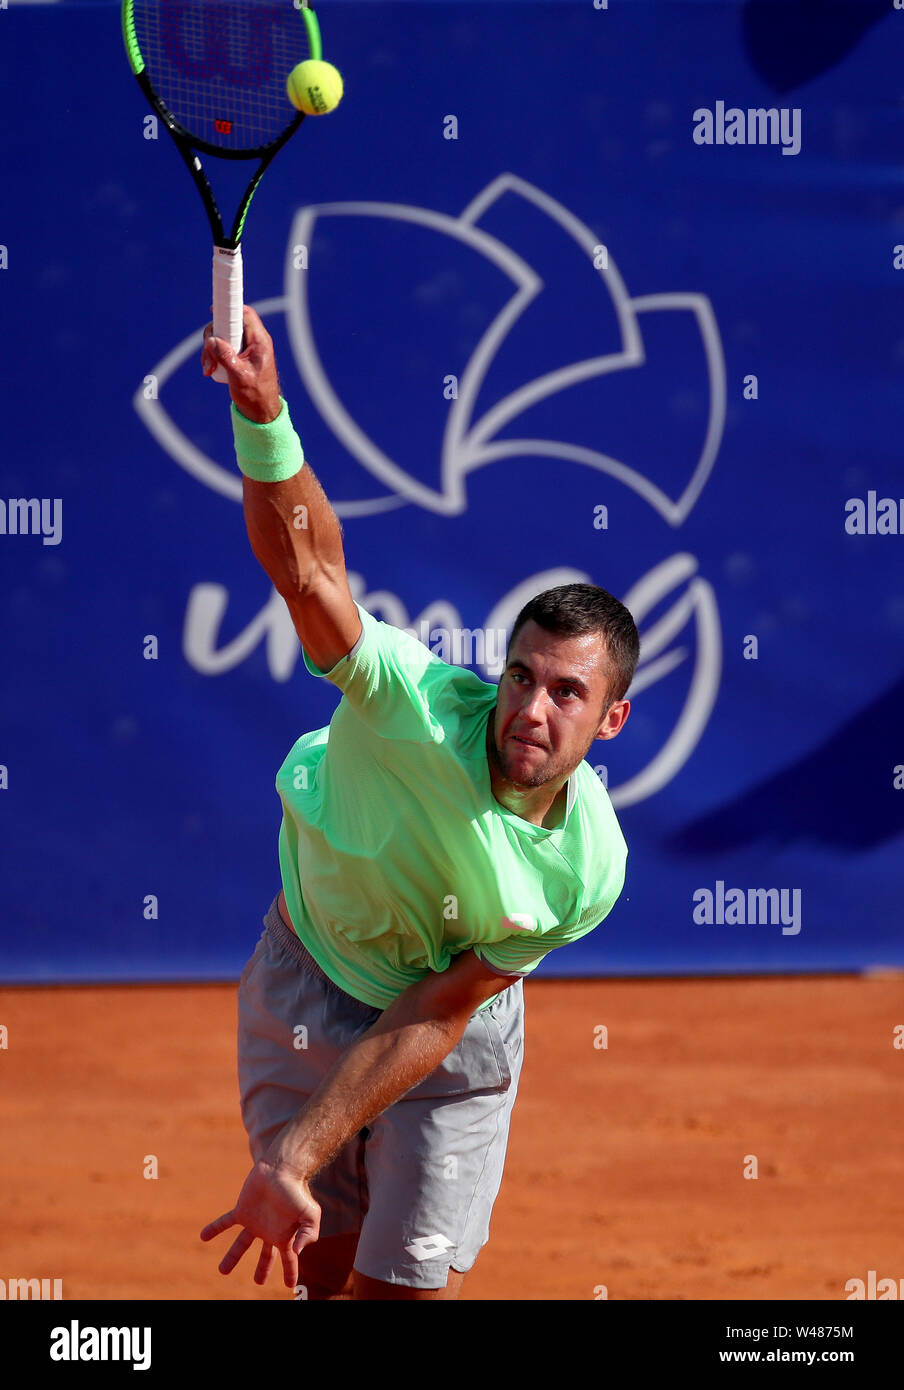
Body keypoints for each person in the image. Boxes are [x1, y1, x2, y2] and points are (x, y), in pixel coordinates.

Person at [198, 307, 638, 1300]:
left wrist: (295, 1155)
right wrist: (264, 418)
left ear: (610, 721)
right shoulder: (409, 699)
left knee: (398, 1294)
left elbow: (438, 1008)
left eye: (567, 692)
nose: (530, 706)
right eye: (521, 675)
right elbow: (307, 568)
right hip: (308, 977)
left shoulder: (588, 868)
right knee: (320, 1279)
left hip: (447, 1030)